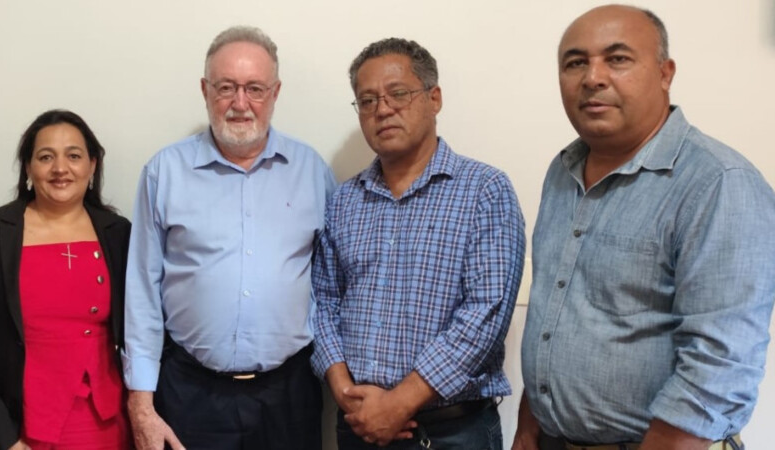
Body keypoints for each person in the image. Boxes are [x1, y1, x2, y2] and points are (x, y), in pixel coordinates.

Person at [513, 5, 775, 450]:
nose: (593, 77)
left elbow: (719, 364)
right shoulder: (562, 172)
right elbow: (552, 313)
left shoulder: (717, 182)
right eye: (575, 63)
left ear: (665, 73)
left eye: (617, 59)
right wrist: (529, 426)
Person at [122, 25, 335, 450]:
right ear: (205, 90)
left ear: (275, 93)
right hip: (190, 394)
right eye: (226, 88)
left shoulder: (312, 171)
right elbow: (142, 291)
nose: (240, 103)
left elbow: (331, 285)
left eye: (254, 88)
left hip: (289, 395)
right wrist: (141, 405)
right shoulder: (165, 172)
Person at [311, 37, 525, 449]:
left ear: (434, 98)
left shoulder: (484, 190)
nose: (382, 109)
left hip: (451, 432)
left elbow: (486, 312)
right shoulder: (344, 200)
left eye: (398, 93)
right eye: (367, 100)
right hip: (357, 424)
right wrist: (342, 388)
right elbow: (323, 302)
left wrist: (400, 403)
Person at [0, 109, 132, 449]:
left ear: (92, 165)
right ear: (28, 167)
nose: (60, 168)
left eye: (73, 156)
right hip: (18, 424)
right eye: (46, 157)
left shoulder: (119, 234)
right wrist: (2, 438)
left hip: (106, 420)